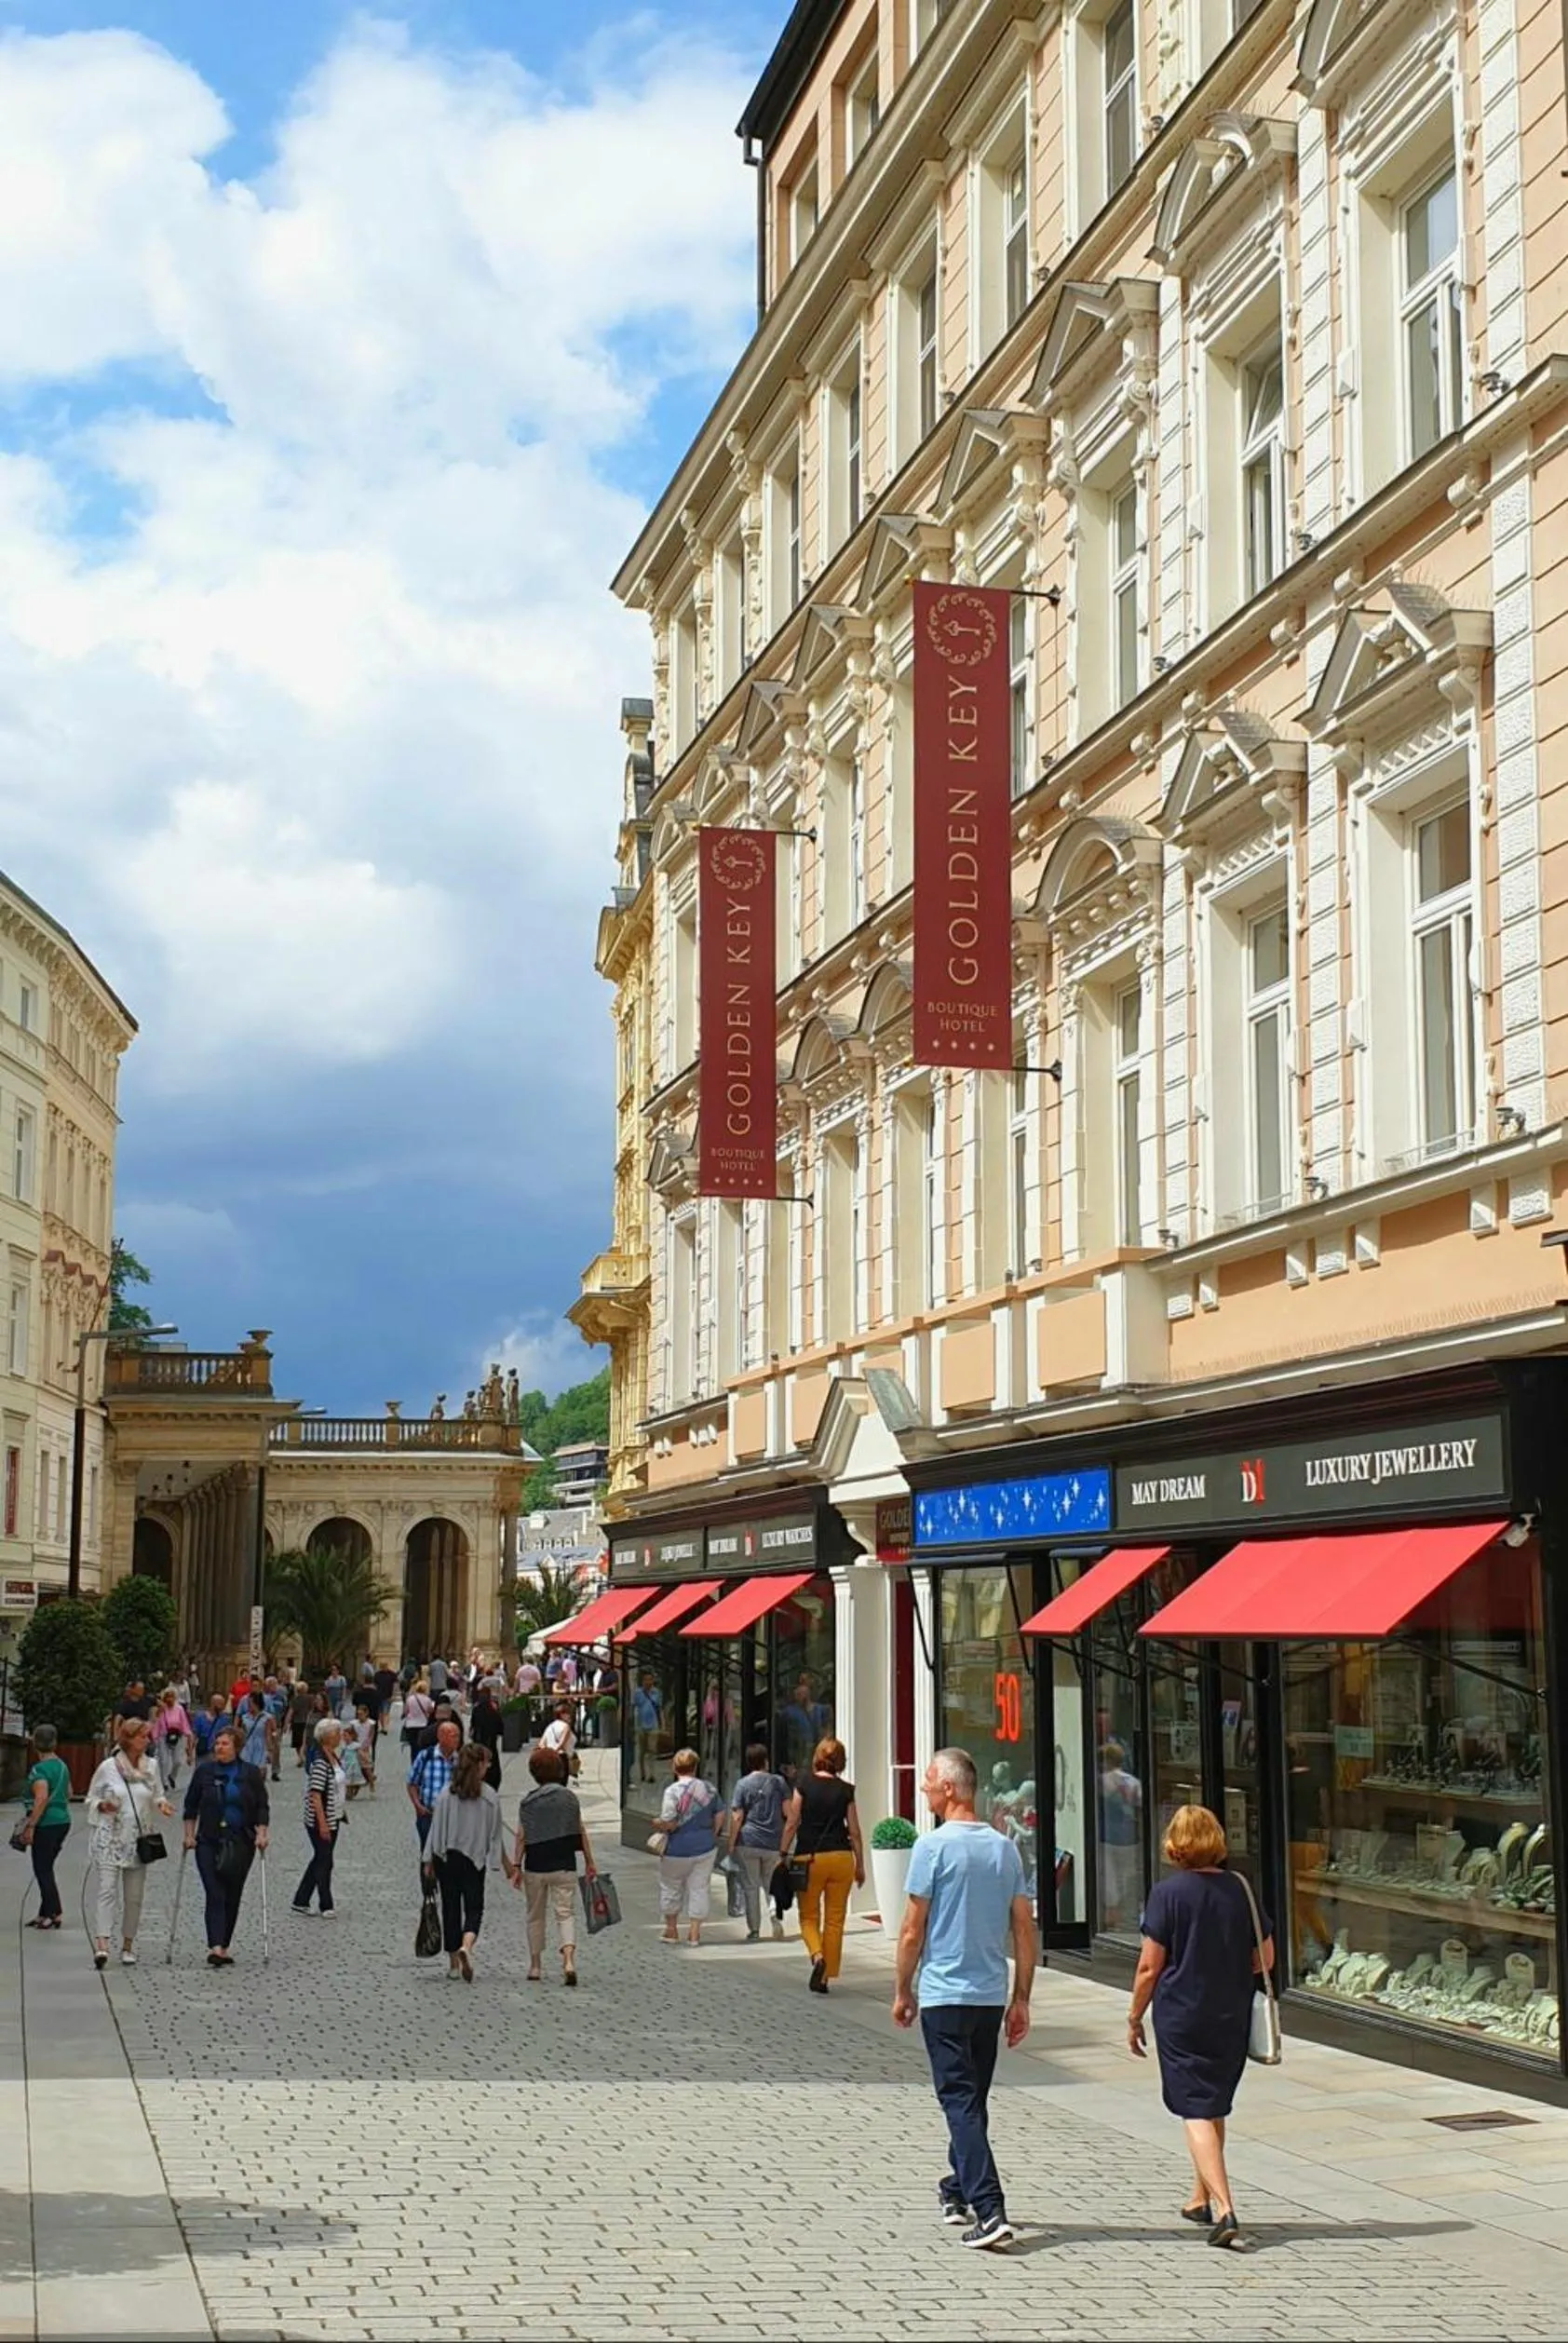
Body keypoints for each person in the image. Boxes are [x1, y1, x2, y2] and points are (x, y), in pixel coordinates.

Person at [893, 1749, 1036, 2255]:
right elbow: (1024, 1928)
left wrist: (902, 1988)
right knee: (971, 2101)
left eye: (929, 1780)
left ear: (951, 1788)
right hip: (987, 1996)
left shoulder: (931, 1848)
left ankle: (990, 2206)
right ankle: (956, 2189)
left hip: (944, 1993)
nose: (925, 1788)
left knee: (959, 2101)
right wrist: (1021, 1998)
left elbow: (912, 1929)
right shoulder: (1003, 1850)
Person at [1129, 1804, 1275, 2253]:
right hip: (1230, 2013)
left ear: (1175, 1845)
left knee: (1194, 2107)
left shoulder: (1167, 1895)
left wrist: (1134, 2016)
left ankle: (1226, 2207)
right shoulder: (1240, 1890)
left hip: (1182, 2014)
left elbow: (1149, 1967)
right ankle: (1200, 2198)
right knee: (1212, 2105)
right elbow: (1264, 1960)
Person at [87, 1716, 174, 1968]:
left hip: (138, 1840)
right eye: (142, 1736)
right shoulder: (108, 1767)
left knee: (134, 1897)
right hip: (110, 1837)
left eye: (147, 1736)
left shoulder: (152, 1766)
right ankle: (102, 1944)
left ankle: (127, 1945)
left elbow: (157, 1794)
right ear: (128, 1739)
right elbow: (90, 1798)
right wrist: (101, 1805)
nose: (147, 1740)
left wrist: (163, 1805)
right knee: (106, 1891)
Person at [182, 1723, 270, 1966]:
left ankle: (225, 1943)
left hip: (240, 1840)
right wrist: (189, 1835)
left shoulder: (250, 1773)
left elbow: (262, 1806)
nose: (219, 1748)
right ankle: (216, 1946)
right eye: (217, 1744)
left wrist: (262, 1833)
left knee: (233, 1893)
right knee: (214, 1891)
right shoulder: (204, 1772)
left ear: (236, 1747)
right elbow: (191, 1805)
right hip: (208, 1841)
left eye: (224, 1744)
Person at [509, 1743, 596, 1984]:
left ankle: (535, 1965)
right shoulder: (569, 1798)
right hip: (564, 1862)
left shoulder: (528, 1803)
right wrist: (589, 1861)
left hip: (536, 1864)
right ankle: (568, 1959)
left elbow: (522, 1836)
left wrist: (516, 1865)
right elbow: (579, 1830)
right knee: (565, 1913)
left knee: (535, 1915)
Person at [783, 1736, 865, 1994]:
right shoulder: (846, 1789)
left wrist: (782, 1850)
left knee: (808, 1915)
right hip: (841, 1858)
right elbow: (854, 1831)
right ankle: (826, 1976)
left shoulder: (804, 1783)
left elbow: (792, 1821)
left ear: (817, 1756)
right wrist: (860, 1864)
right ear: (841, 1761)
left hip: (810, 1857)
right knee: (835, 1919)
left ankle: (817, 1956)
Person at [426, 1739, 506, 1983]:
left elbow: (435, 1829)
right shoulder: (489, 1796)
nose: (489, 1767)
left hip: (447, 1858)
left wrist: (428, 1859)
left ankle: (452, 1965)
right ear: (479, 1765)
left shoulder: (446, 1794)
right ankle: (467, 1946)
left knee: (450, 1909)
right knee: (474, 1908)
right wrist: (500, 1863)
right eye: (487, 1762)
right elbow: (495, 1834)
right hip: (474, 1860)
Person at [654, 1748, 723, 1946]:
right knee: (699, 1888)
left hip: (676, 1848)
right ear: (695, 1767)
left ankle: (671, 1929)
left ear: (675, 1768)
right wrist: (713, 1834)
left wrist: (657, 1823)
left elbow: (669, 1821)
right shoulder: (709, 1789)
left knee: (670, 1886)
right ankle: (694, 1933)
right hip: (704, 1847)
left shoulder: (672, 1791)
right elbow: (720, 1814)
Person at [728, 1742, 788, 1943]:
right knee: (771, 1884)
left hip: (748, 1841)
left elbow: (737, 1816)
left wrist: (731, 1843)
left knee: (750, 1886)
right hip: (773, 1842)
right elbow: (788, 1811)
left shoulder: (742, 1785)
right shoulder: (779, 1782)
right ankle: (774, 1915)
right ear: (766, 1761)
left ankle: (754, 1930)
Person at [292, 1718, 347, 1916]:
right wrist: (322, 1824)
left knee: (321, 1859)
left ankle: (301, 1899)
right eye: (337, 1733)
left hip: (334, 1817)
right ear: (327, 1737)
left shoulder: (333, 1756)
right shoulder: (320, 1762)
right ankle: (326, 1904)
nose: (340, 1736)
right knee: (324, 1860)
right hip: (320, 1819)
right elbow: (315, 1795)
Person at [20, 1725, 71, 1930]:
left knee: (42, 1869)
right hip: (63, 1821)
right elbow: (69, 1792)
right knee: (46, 1867)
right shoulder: (62, 1766)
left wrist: (31, 1824)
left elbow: (41, 1797)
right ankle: (44, 1912)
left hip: (46, 1823)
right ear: (55, 1742)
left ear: (34, 1743)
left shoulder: (39, 1770)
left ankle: (54, 1912)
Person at [407, 1719, 460, 1854]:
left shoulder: (460, 1760)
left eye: (458, 1736)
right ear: (441, 1737)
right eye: (454, 1736)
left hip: (451, 1816)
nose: (457, 1740)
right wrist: (418, 1806)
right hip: (428, 1813)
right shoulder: (426, 1756)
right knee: (426, 1851)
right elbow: (412, 1783)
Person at [149, 1686, 194, 1794]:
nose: (169, 1699)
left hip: (176, 1736)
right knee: (163, 1761)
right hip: (163, 1736)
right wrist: (154, 1738)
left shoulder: (179, 1709)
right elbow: (157, 1723)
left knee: (178, 1761)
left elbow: (184, 1724)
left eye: (172, 1697)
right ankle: (164, 1783)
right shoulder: (161, 1710)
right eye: (167, 1697)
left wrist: (188, 1735)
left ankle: (172, 1776)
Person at [233, 1678, 278, 1779]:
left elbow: (270, 1733)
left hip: (260, 1745)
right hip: (248, 1745)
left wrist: (271, 1749)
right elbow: (242, 1731)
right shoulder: (245, 1717)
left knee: (259, 1772)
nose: (249, 1706)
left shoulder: (266, 1717)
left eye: (251, 1704)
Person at [468, 1682, 504, 1790]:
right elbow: (500, 1728)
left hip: (478, 1742)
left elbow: (473, 1724)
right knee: (492, 1765)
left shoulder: (476, 1709)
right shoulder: (493, 1710)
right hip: (491, 1743)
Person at [631, 1673, 661, 1784]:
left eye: (650, 1679)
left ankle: (651, 1774)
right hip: (640, 1725)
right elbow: (634, 1707)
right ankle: (643, 1773)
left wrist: (662, 1723)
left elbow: (658, 1708)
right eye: (646, 1680)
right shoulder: (638, 1693)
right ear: (642, 1681)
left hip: (653, 1725)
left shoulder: (656, 1692)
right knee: (642, 1751)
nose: (648, 1682)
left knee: (652, 1750)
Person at [539, 1699, 577, 1779]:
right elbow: (562, 1743)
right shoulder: (566, 1727)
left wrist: (548, 1753)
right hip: (562, 1758)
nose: (570, 1715)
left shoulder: (550, 1727)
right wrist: (555, 1752)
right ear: (561, 1715)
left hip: (550, 1759)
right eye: (567, 1713)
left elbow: (541, 1744)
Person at [193, 1691, 231, 1760]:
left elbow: (228, 1736)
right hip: (203, 1750)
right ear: (213, 1704)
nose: (223, 1707)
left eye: (223, 1704)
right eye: (221, 1704)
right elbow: (194, 1734)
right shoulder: (200, 1717)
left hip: (218, 1752)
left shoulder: (225, 1719)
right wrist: (190, 1751)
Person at [401, 1675, 433, 1757]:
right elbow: (431, 1711)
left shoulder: (410, 1699)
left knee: (413, 1747)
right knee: (421, 1746)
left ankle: (414, 1763)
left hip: (411, 1725)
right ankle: (421, 1762)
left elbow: (406, 1711)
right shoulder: (427, 1699)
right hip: (423, 1724)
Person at [288, 1677, 315, 1765]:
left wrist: (286, 1724)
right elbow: (312, 1709)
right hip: (307, 1722)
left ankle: (300, 1757)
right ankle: (304, 1756)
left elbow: (290, 1712)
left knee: (297, 1742)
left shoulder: (295, 1700)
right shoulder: (310, 1698)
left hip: (297, 1722)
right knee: (306, 1740)